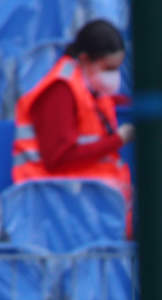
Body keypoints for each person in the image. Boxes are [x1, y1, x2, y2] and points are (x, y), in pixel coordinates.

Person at [12, 19, 133, 205]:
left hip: (88, 202)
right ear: (84, 59)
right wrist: (117, 140)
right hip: (57, 207)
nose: (114, 76)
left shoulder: (89, 87)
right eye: (108, 68)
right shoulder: (59, 91)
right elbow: (59, 158)